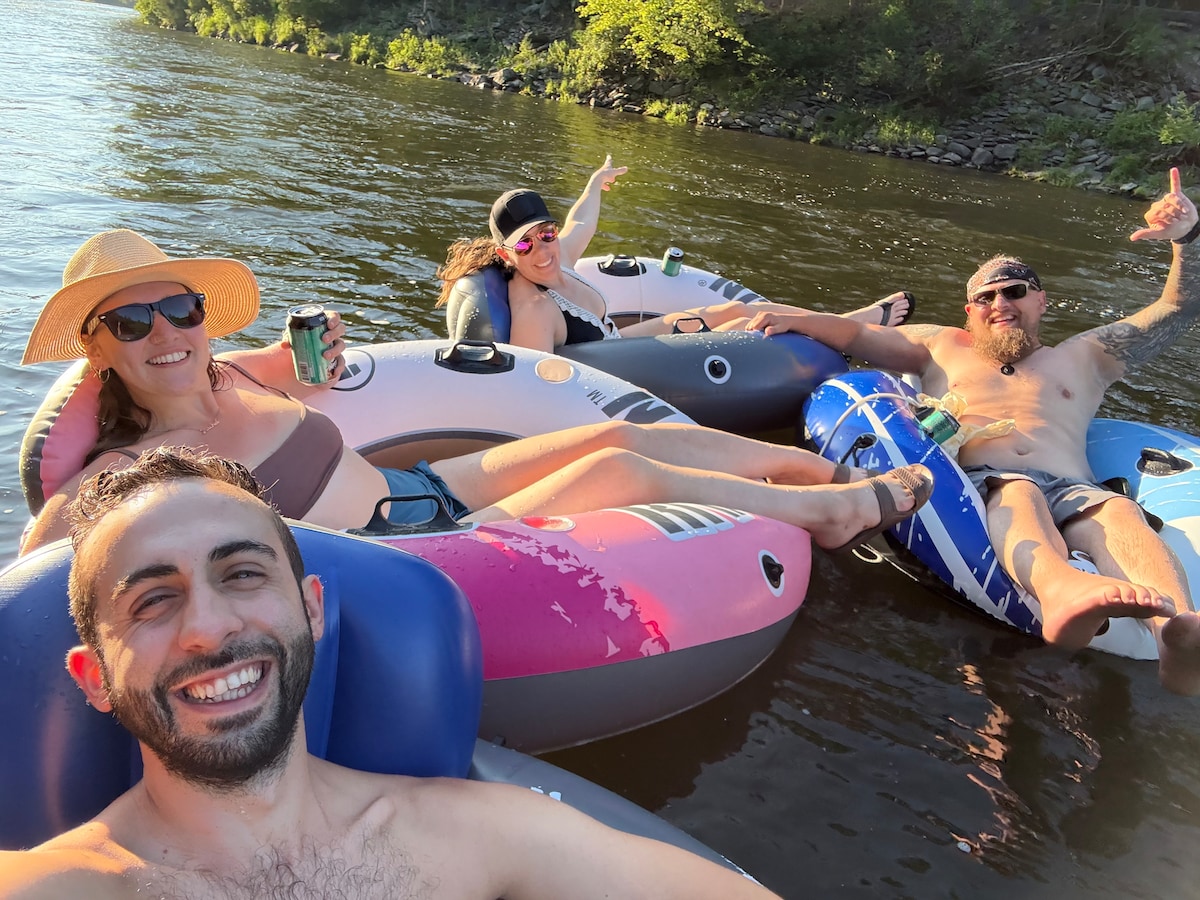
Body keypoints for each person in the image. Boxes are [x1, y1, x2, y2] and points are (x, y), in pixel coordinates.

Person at [0, 448, 782, 898]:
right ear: (93, 678)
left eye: (242, 574)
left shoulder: (480, 835)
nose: (209, 627)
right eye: (153, 600)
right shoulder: (54, 886)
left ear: (313, 611)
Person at [20, 228, 933, 556]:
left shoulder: (232, 370)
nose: (167, 335)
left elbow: (316, 368)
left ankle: (812, 469)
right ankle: (833, 513)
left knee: (619, 436)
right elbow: (42, 556)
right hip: (399, 548)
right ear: (96, 349)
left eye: (179, 308)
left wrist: (323, 343)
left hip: (421, 488)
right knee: (621, 470)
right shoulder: (126, 471)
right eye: (131, 323)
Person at [744, 168, 1200, 695]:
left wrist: (1187, 238)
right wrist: (793, 317)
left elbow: (1178, 308)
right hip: (987, 482)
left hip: (1076, 485)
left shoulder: (1088, 356)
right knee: (1019, 492)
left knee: (1118, 513)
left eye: (1014, 292)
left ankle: (1177, 633)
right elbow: (855, 334)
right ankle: (1060, 590)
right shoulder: (941, 345)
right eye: (986, 298)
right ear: (970, 312)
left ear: (1040, 301)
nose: (1000, 304)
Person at [435, 154, 914, 352]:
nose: (540, 248)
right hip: (621, 366)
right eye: (524, 243)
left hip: (621, 340)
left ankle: (846, 321)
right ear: (505, 253)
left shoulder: (557, 258)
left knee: (733, 309)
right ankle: (852, 329)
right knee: (742, 326)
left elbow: (582, 222)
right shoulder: (533, 307)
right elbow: (531, 379)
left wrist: (595, 183)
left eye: (545, 233)